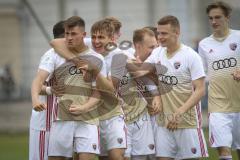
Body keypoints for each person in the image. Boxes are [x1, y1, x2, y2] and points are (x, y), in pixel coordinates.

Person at [128, 15, 208, 160]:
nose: (160, 37)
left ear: (177, 32)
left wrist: (179, 112)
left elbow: (201, 89)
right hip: (163, 123)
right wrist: (157, 96)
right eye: (158, 33)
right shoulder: (157, 53)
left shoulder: (191, 56)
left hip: (187, 122)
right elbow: (143, 72)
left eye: (164, 33)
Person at [31, 16, 106, 160]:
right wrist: (35, 99)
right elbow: (38, 80)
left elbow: (99, 91)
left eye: (73, 34)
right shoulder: (54, 54)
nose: (69, 38)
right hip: (61, 119)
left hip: (88, 120)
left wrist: (85, 107)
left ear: (84, 35)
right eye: (66, 34)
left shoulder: (96, 57)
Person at [198, 1, 240, 159]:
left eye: (218, 17)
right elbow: (201, 73)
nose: (214, 21)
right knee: (224, 151)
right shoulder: (204, 44)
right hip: (218, 105)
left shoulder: (239, 37)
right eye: (210, 18)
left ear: (227, 17)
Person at [29, 20, 65, 160]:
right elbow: (37, 83)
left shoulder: (70, 56)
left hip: (62, 123)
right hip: (46, 124)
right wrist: (50, 90)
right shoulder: (51, 55)